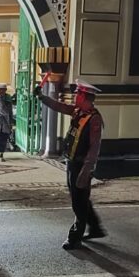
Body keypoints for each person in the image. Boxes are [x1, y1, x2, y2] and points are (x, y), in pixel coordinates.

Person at [35, 80, 105, 250]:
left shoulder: (94, 119)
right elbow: (59, 106)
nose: (75, 97)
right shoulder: (78, 111)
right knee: (81, 198)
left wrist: (86, 171)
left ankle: (74, 238)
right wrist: (41, 97)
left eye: (78, 94)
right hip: (72, 162)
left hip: (81, 166)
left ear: (85, 97)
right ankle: (95, 228)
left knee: (78, 202)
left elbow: (94, 148)